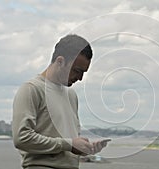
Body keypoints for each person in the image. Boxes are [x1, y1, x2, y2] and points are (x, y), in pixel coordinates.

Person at [12, 34, 108, 169]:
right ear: (60, 61)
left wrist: (86, 148)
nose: (80, 78)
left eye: (83, 73)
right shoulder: (31, 89)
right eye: (77, 71)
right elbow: (21, 138)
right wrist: (69, 144)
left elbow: (68, 144)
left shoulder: (71, 95)